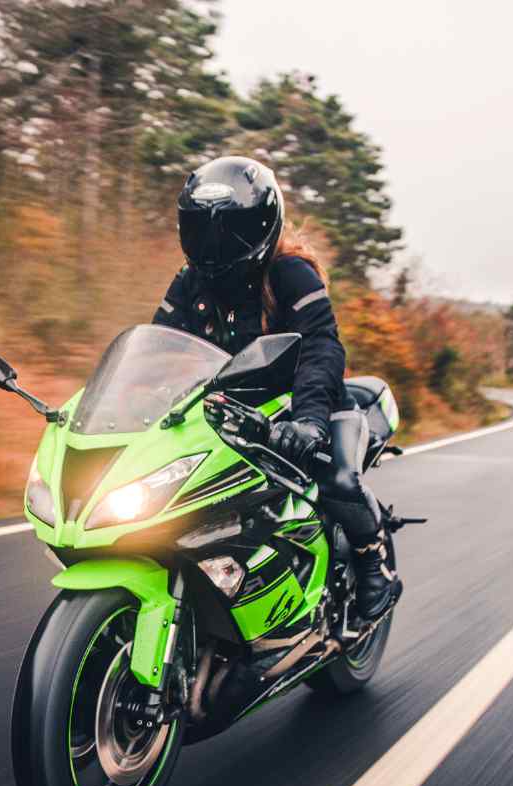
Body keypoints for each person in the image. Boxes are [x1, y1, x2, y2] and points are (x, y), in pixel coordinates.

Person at [152, 155, 399, 622]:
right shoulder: (190, 282)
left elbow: (322, 349)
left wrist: (308, 422)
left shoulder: (290, 274)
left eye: (231, 229)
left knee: (339, 480)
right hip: (232, 415)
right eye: (201, 229)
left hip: (309, 405)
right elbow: (159, 349)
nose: (214, 243)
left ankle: (374, 559)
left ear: (263, 225)